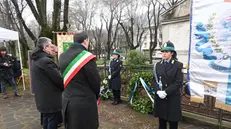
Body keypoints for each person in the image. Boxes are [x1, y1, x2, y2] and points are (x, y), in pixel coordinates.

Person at [59, 32, 100, 129]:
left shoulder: (62, 56)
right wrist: (96, 96)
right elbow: (95, 81)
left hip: (67, 100)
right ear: (85, 41)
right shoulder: (86, 57)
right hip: (84, 103)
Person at [31, 37, 64, 129]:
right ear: (45, 47)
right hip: (50, 98)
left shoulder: (36, 59)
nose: (52, 48)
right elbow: (58, 79)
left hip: (43, 96)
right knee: (52, 120)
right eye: (51, 46)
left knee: (46, 118)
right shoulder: (46, 61)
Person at [153, 41, 183, 129]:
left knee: (173, 124)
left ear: (172, 53)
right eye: (163, 51)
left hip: (172, 98)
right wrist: (157, 90)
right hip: (160, 99)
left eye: (166, 52)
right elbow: (154, 80)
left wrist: (165, 92)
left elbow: (178, 82)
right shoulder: (158, 65)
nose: (164, 54)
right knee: (162, 123)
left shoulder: (177, 65)